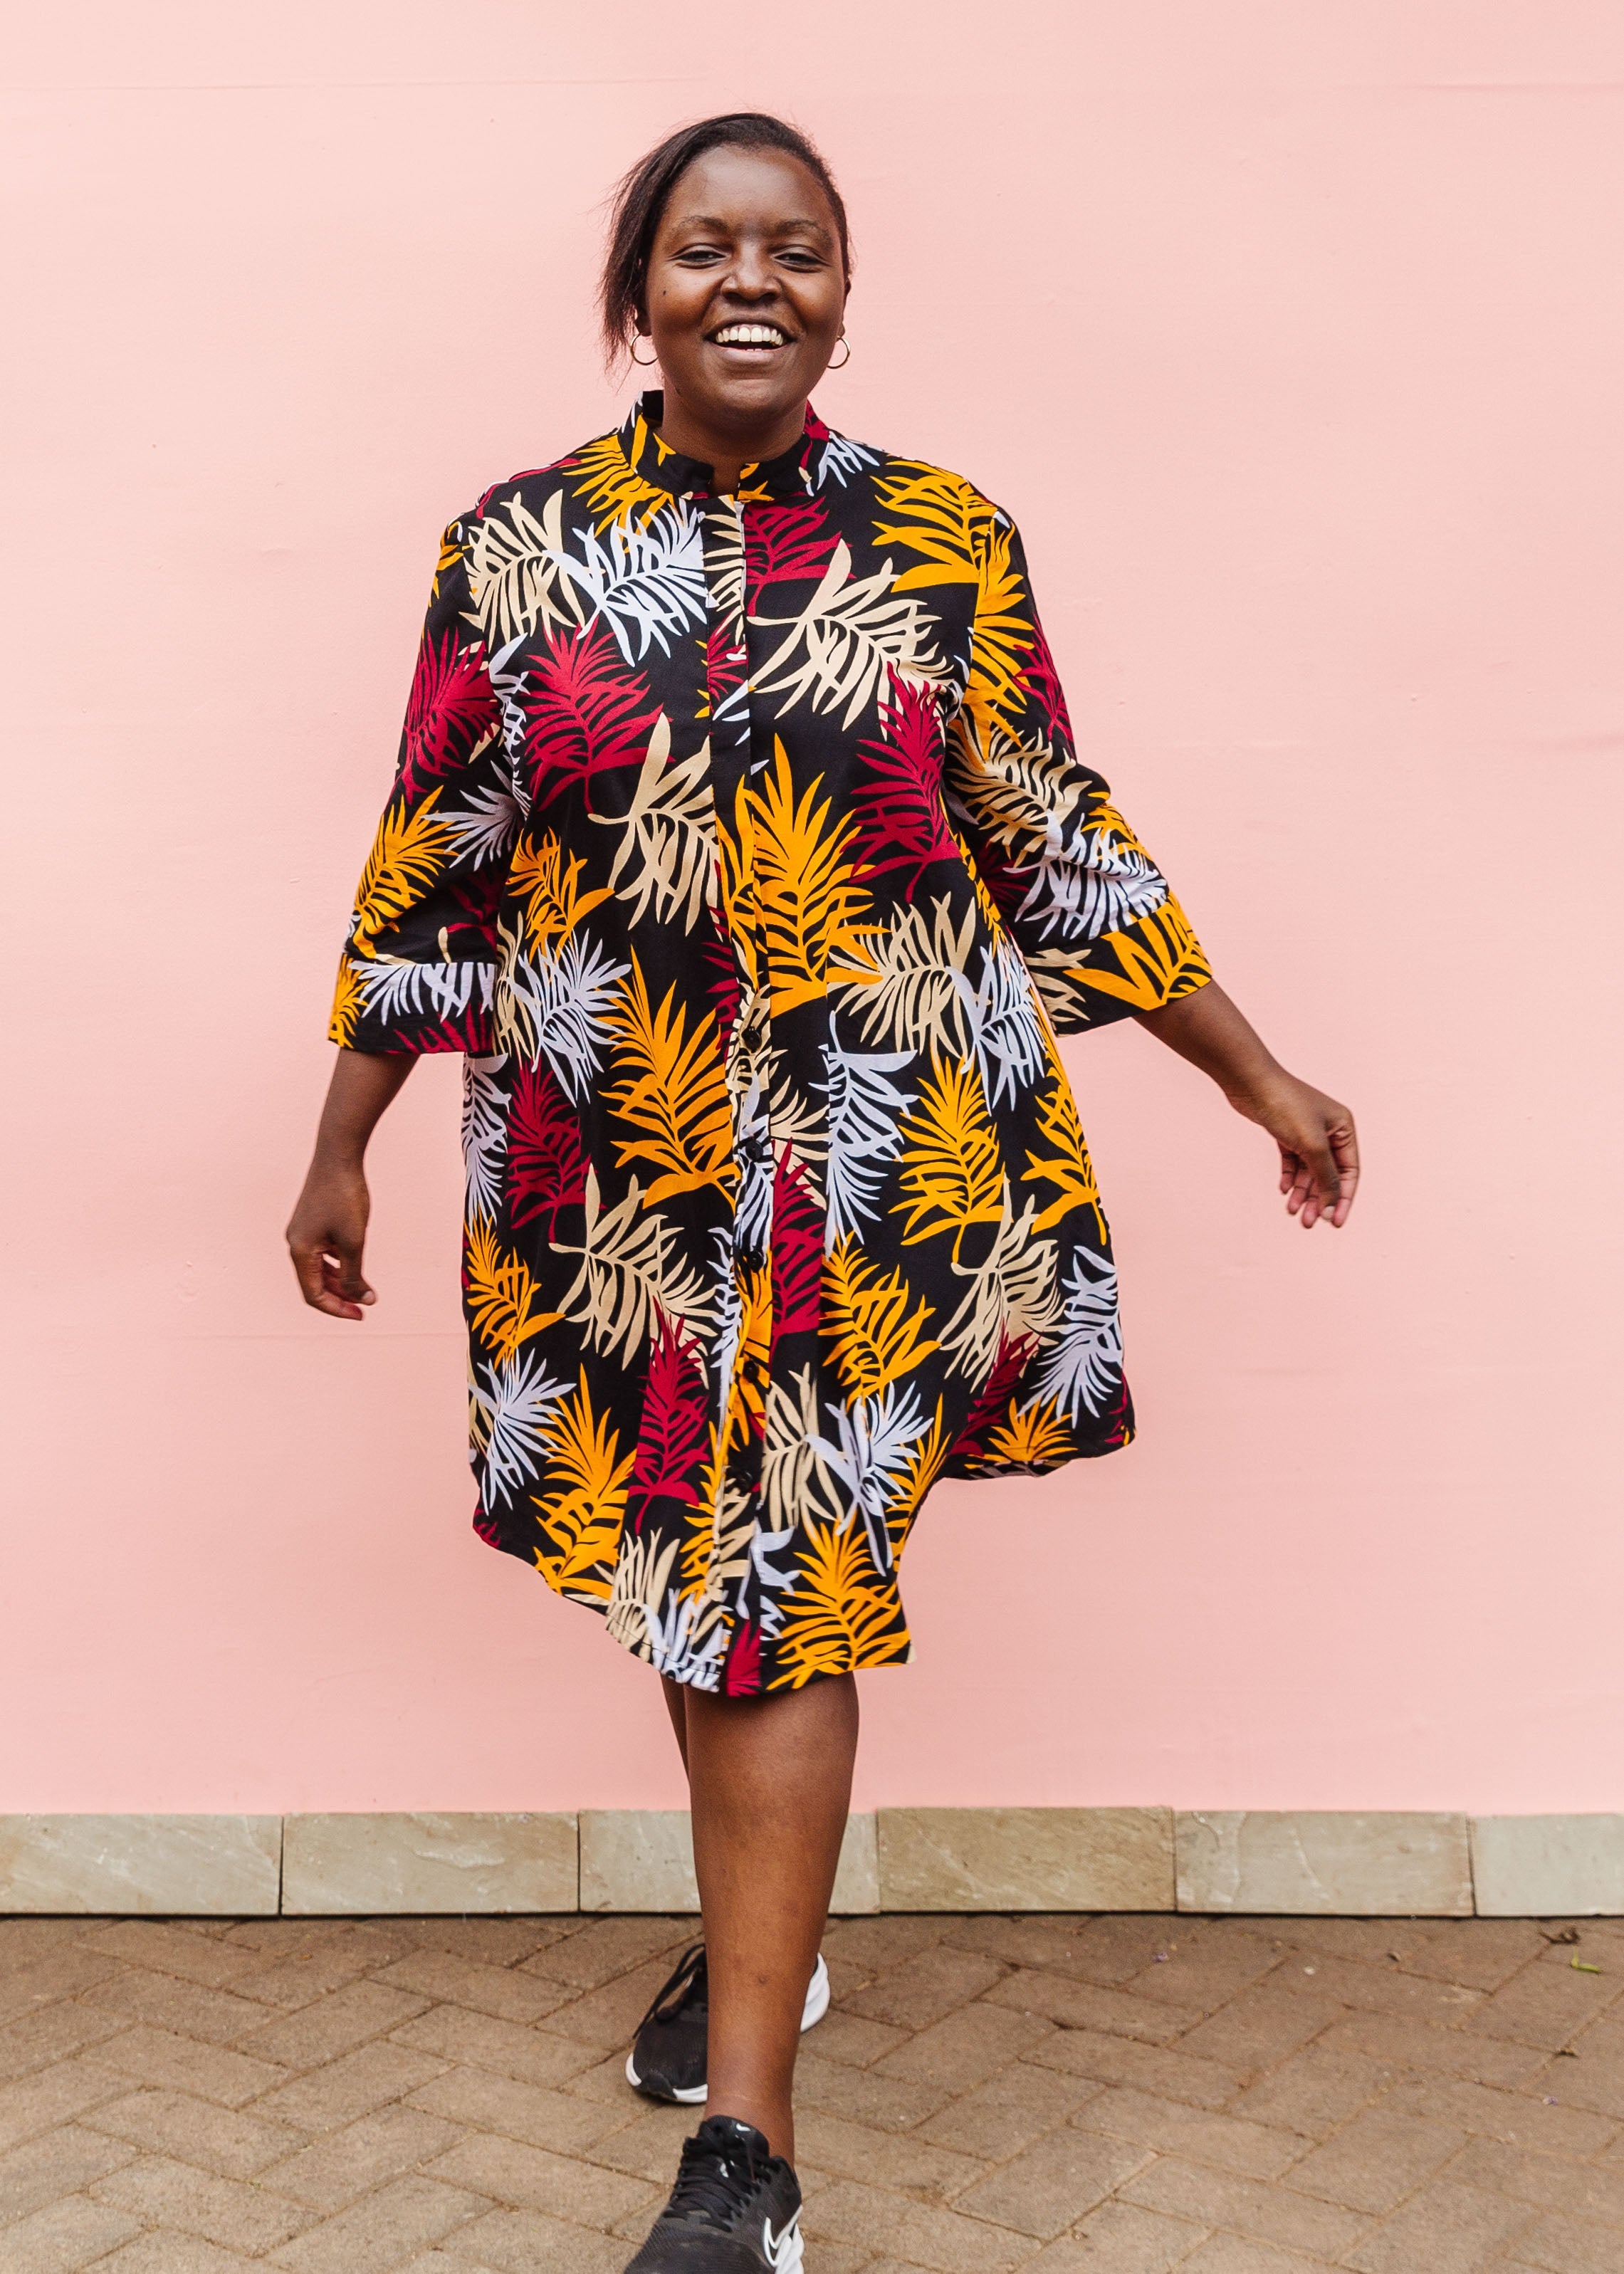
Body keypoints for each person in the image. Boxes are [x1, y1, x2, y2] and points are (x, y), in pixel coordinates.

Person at [288, 110, 1358, 2274]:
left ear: (846, 288)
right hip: (612, 1177)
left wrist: (1253, 1069)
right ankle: (751, 1953)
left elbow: (1052, 829)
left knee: (761, 1592)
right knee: (701, 1583)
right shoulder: (510, 552)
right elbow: (439, 849)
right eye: (702, 248)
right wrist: (344, 1134)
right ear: (640, 294)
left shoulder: (946, 538)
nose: (748, 281)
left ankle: (745, 2161)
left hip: (880, 1169)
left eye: (793, 247)